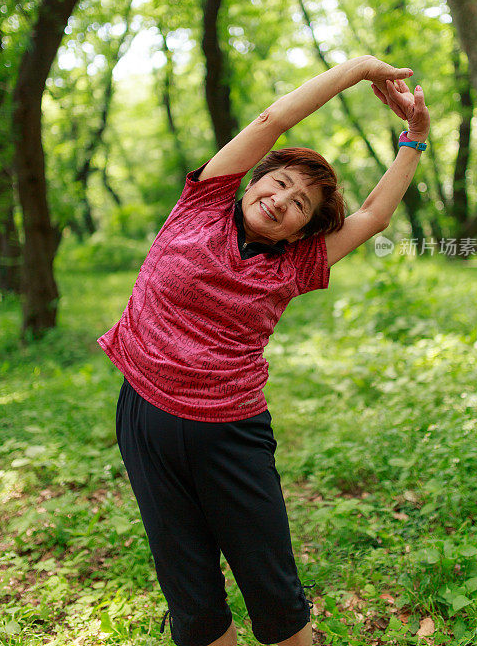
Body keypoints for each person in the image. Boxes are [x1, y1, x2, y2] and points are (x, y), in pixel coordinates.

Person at [97, 55, 430, 646]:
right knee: (190, 593)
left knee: (273, 589)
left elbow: (375, 216)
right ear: (253, 181)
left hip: (230, 433)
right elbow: (274, 119)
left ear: (303, 231)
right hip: (145, 417)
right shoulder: (201, 202)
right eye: (279, 183)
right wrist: (353, 70)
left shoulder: (299, 263)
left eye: (300, 203)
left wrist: (414, 139)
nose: (282, 200)